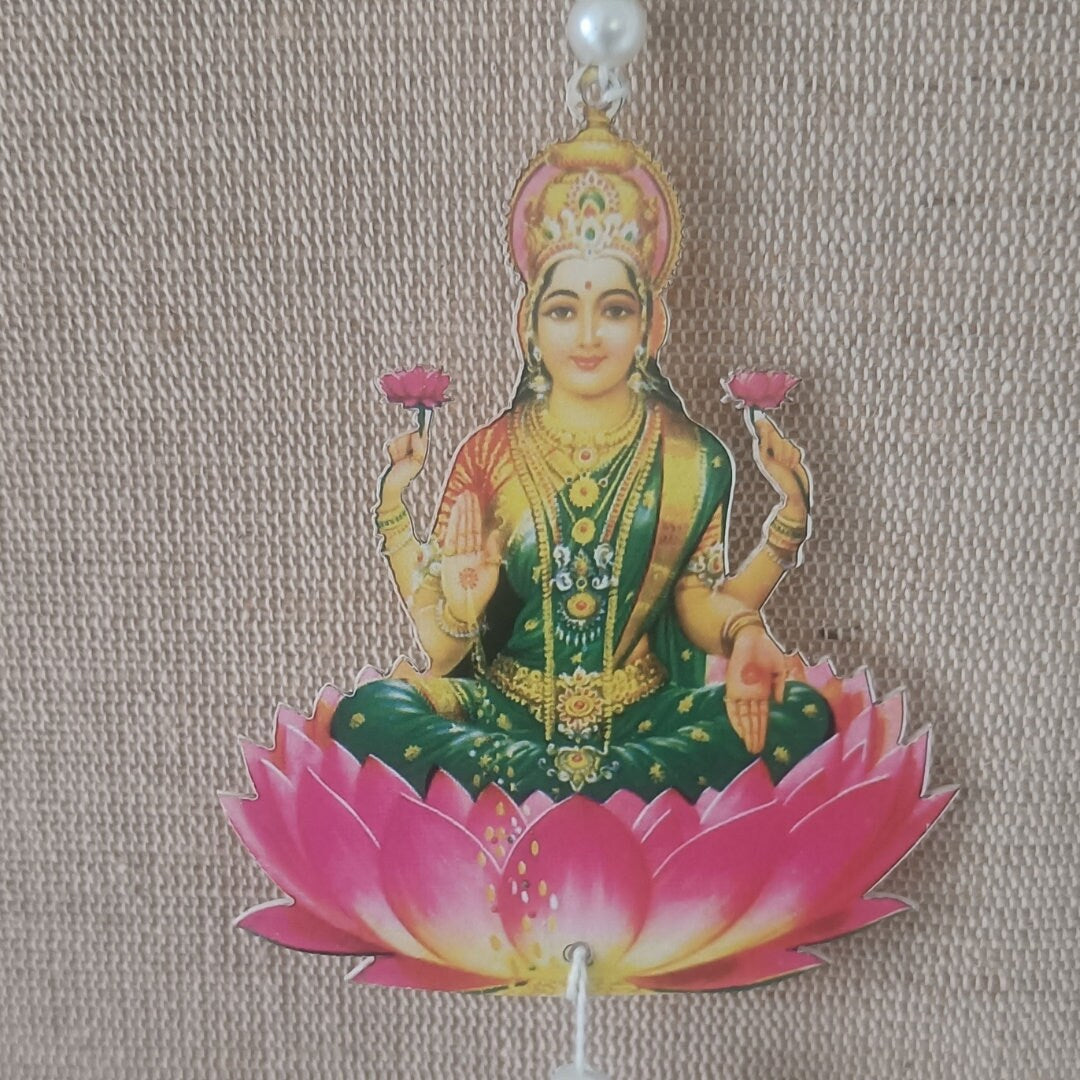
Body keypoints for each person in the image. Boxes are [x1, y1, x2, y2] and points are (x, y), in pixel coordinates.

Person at [331, 107, 832, 800]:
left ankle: (539, 801)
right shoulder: (488, 453)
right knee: (369, 716)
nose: (589, 335)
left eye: (615, 309)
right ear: (529, 326)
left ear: (650, 325)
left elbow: (694, 601)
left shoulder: (694, 460)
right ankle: (611, 802)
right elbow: (444, 654)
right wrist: (464, 604)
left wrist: (746, 634)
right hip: (507, 714)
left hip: (641, 717)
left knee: (801, 716)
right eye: (563, 310)